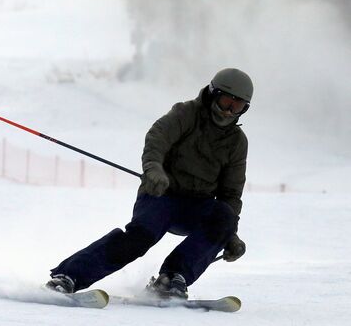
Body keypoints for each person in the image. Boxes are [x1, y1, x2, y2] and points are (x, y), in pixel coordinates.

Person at [46, 68, 252, 299]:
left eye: (237, 106)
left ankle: (172, 278)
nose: (228, 111)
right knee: (139, 238)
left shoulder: (236, 142)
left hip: (196, 206)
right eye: (225, 102)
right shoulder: (186, 114)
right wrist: (154, 169)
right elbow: (157, 139)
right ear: (214, 94)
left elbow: (231, 193)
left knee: (224, 216)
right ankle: (69, 276)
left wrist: (230, 234)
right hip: (161, 194)